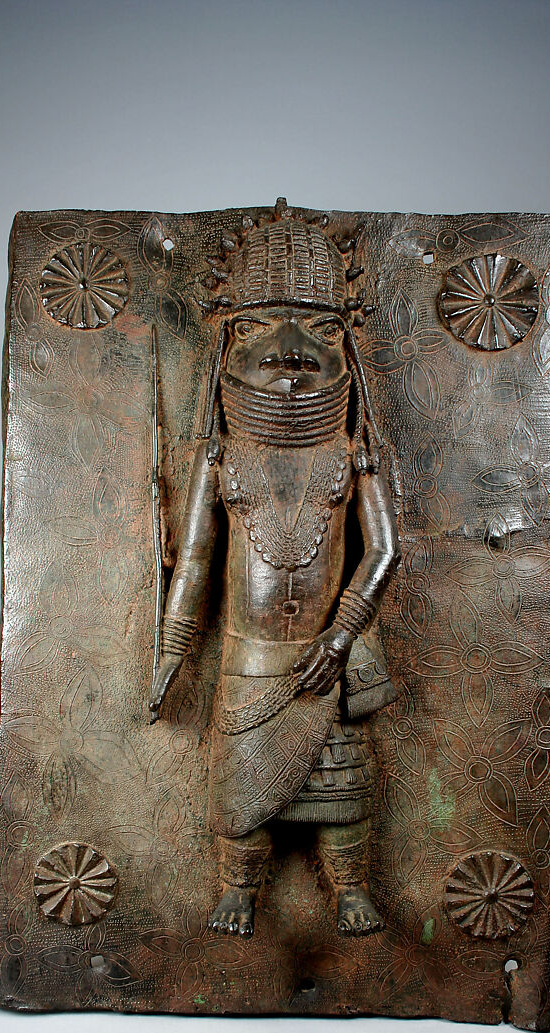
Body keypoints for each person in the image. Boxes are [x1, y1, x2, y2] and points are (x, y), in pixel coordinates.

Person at [149, 209, 400, 937]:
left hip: (327, 653)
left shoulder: (350, 455)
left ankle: (350, 887)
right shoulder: (222, 457)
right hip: (249, 659)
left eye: (319, 332)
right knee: (240, 787)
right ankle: (240, 888)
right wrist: (170, 653)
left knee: (342, 785)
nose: (290, 354)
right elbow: (195, 561)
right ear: (232, 339)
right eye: (262, 327)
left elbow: (384, 550)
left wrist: (342, 637)